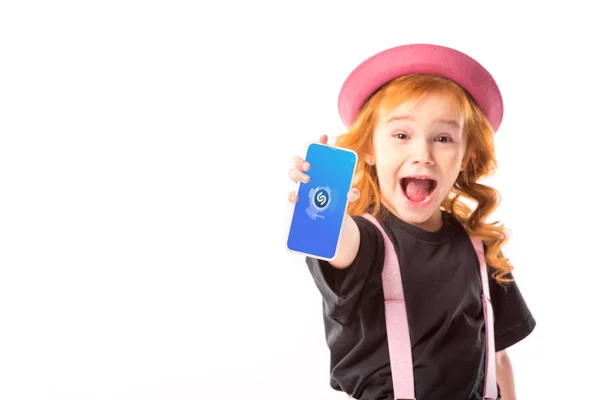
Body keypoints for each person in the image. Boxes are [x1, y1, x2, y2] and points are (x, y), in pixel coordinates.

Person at [287, 44, 536, 400]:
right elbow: (338, 243)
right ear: (369, 150)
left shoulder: (478, 246)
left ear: (465, 156)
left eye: (443, 138)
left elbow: (497, 357)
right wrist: (322, 208)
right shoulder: (367, 242)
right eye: (401, 135)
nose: (423, 154)